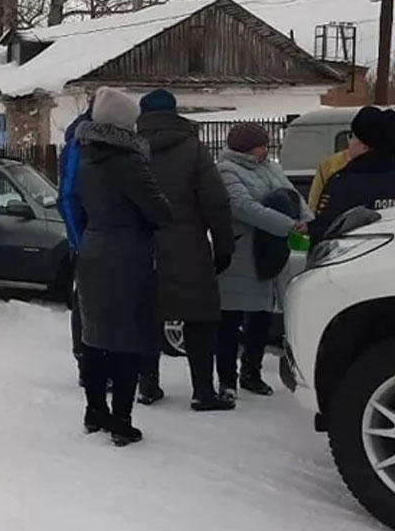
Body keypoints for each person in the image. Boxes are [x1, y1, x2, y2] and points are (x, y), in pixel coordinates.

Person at [75, 87, 173, 447]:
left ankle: (94, 411)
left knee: (96, 335)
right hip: (128, 254)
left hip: (93, 248)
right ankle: (122, 421)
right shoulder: (129, 162)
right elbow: (160, 211)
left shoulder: (86, 157)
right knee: (127, 339)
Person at [137, 89, 236, 412]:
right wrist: (223, 247)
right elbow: (216, 202)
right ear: (174, 111)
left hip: (143, 246)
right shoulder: (193, 148)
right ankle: (203, 390)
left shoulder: (132, 149)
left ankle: (148, 383)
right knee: (200, 319)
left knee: (147, 314)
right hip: (190, 245)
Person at [217, 122, 312, 400]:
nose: (265, 149)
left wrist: (306, 220)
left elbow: (292, 195)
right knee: (230, 320)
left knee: (261, 317)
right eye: (261, 144)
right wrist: (289, 225)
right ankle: (226, 379)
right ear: (246, 148)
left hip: (269, 254)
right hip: (240, 254)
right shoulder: (226, 171)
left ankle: (252, 372)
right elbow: (243, 207)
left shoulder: (270, 167)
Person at [310, 107, 395, 242]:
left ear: (364, 146)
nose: (349, 142)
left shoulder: (344, 183)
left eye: (352, 136)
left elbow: (324, 229)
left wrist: (310, 229)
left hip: (355, 258)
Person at [57, 104, 91, 386]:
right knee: (86, 300)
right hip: (87, 237)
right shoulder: (77, 145)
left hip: (111, 235)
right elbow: (67, 197)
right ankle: (86, 362)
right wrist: (78, 240)